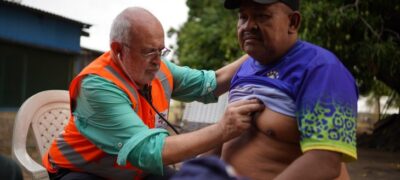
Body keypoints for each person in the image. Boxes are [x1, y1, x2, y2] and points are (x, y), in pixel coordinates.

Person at [41, 7, 264, 180]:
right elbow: (148, 151)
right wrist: (223, 129)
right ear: (119, 50)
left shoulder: (160, 69)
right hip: (83, 171)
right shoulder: (96, 86)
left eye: (161, 50)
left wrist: (260, 52)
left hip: (134, 171)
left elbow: (212, 83)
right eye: (149, 51)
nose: (158, 61)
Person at [218, 0, 359, 179]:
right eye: (243, 16)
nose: (249, 26)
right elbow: (225, 138)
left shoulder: (323, 70)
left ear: (293, 22)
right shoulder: (244, 68)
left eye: (262, 16)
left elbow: (325, 161)